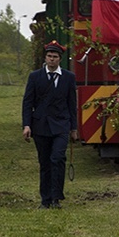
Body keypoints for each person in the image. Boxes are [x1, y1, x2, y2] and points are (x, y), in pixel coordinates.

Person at [22, 41, 78, 209]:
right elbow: (27, 102)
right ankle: (45, 200)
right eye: (49, 56)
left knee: (58, 158)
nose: (52, 60)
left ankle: (56, 197)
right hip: (40, 126)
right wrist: (26, 125)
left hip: (61, 125)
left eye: (55, 57)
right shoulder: (35, 76)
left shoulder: (68, 77)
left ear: (60, 59)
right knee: (45, 162)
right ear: (45, 58)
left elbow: (71, 104)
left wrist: (74, 128)